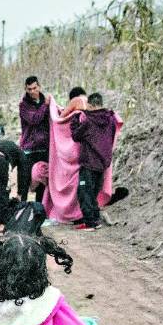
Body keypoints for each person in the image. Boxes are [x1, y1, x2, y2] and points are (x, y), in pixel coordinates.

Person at [69, 92, 119, 231]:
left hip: (89, 163)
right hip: (103, 164)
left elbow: (75, 136)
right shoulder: (110, 120)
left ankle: (90, 223)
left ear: (90, 105)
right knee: (93, 193)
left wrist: (74, 120)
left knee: (84, 192)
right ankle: (95, 220)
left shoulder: (88, 122)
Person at [17, 76, 55, 202]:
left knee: (42, 181)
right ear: (25, 89)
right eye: (29, 89)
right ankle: (21, 210)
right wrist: (45, 105)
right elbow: (34, 120)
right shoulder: (24, 105)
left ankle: (40, 211)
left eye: (34, 88)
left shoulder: (47, 101)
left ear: (39, 86)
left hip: (44, 148)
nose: (32, 91)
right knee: (24, 181)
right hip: (29, 149)